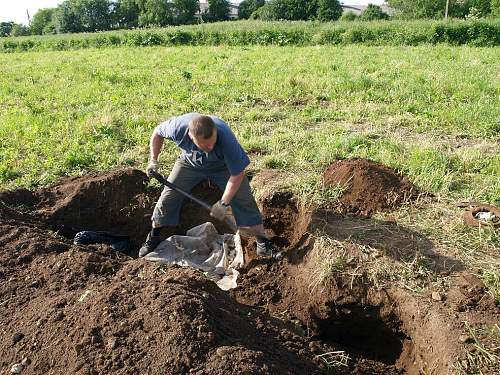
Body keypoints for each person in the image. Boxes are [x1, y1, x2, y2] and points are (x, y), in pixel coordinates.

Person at [139, 112, 279, 259]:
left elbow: (237, 174)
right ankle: (153, 237)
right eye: (205, 145)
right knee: (168, 196)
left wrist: (224, 203)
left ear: (215, 132)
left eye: (213, 142)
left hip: (222, 167)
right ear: (190, 136)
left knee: (243, 198)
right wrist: (153, 161)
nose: (211, 146)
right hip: (189, 164)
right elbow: (157, 132)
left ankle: (263, 243)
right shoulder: (177, 128)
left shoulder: (225, 137)